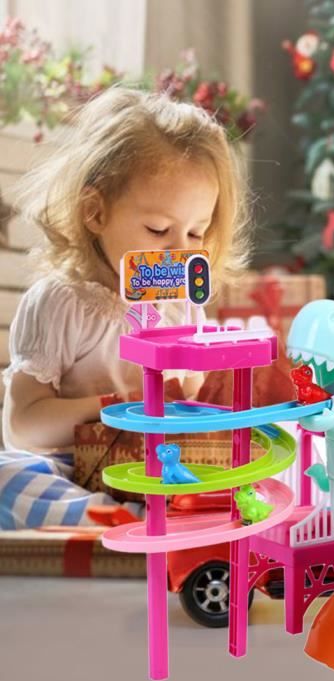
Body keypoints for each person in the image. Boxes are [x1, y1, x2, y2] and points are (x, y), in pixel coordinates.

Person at [0, 86, 250, 529]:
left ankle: (158, 519)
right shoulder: (62, 302)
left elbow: (193, 399)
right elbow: (21, 428)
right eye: (158, 229)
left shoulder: (181, 307)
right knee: (8, 478)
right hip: (71, 471)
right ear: (95, 213)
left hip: (159, 467)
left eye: (196, 233)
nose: (180, 251)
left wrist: (200, 395)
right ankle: (125, 522)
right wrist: (116, 405)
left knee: (254, 464)